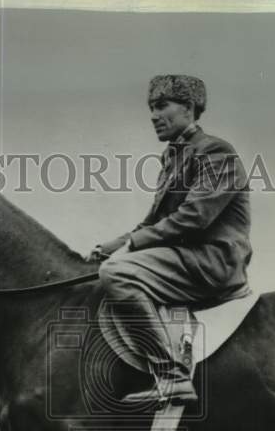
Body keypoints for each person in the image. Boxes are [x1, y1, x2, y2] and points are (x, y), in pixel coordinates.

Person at [90, 74, 252, 404]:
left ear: (189, 108)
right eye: (151, 108)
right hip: (183, 258)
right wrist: (108, 246)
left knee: (116, 273)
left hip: (212, 260)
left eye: (162, 106)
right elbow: (153, 223)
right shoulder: (171, 157)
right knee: (100, 267)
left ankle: (171, 375)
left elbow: (194, 218)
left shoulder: (216, 151)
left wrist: (129, 247)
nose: (153, 116)